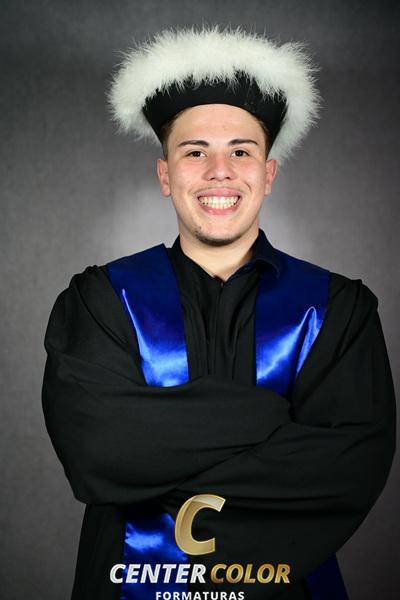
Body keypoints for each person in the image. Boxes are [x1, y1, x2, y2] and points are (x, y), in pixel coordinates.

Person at [42, 25, 396, 600]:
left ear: (268, 174)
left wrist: (159, 460)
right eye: (194, 151)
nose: (219, 171)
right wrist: (274, 421)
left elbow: (350, 467)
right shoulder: (103, 300)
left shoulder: (336, 308)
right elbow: (98, 451)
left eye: (241, 151)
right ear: (165, 175)